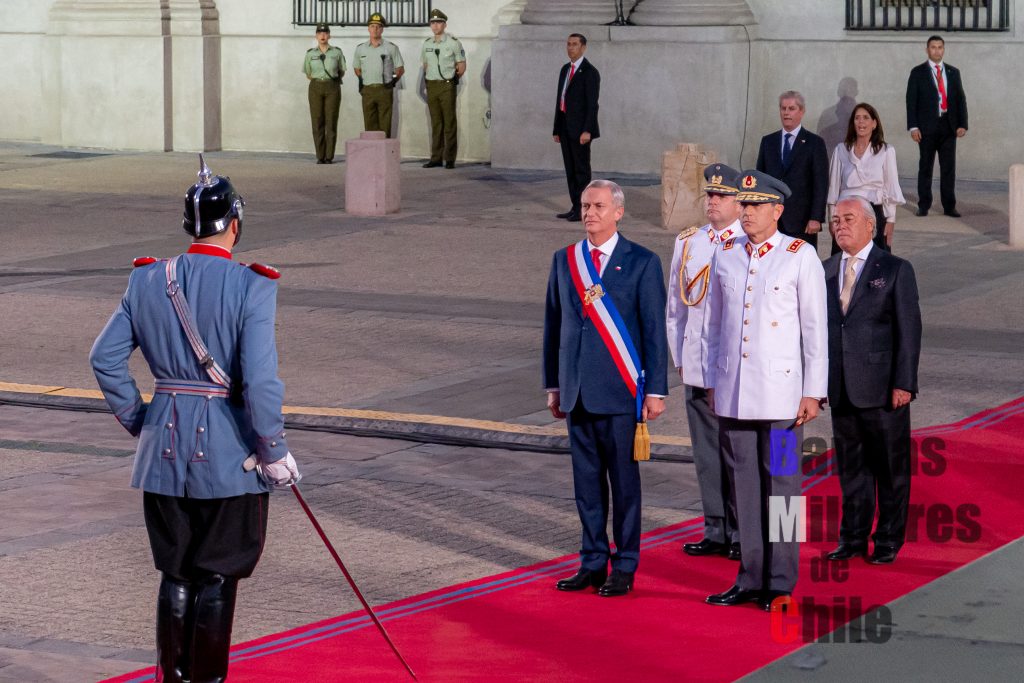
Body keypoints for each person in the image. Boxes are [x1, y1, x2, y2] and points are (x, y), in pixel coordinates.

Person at [89, 157, 300, 682]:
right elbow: (261, 381)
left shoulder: (146, 280)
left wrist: (143, 420)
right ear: (235, 224)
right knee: (219, 575)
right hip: (232, 458)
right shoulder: (253, 286)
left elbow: (105, 358)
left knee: (176, 572)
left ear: (190, 225)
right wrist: (273, 452)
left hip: (161, 455)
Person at [704, 170, 828, 611]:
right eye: (744, 204)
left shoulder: (799, 255)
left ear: (777, 210)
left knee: (784, 491)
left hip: (781, 399)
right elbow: (716, 326)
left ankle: (781, 580)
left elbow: (815, 330)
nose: (747, 212)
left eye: (755, 205)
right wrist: (714, 382)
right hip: (737, 395)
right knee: (745, 488)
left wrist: (813, 391)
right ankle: (750, 576)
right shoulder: (727, 254)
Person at [543, 179, 668, 597]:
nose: (589, 213)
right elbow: (553, 326)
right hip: (577, 392)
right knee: (587, 485)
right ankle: (592, 560)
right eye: (584, 206)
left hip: (620, 393)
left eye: (597, 206)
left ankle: (625, 564)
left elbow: (654, 331)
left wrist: (657, 390)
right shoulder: (566, 260)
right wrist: (554, 384)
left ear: (618, 212)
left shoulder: (642, 262)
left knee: (624, 486)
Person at [824, 196, 922, 565]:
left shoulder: (895, 268)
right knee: (852, 470)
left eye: (848, 218)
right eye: (835, 220)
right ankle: (852, 538)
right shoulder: (826, 269)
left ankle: (888, 540)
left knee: (890, 469)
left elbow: (909, 330)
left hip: (883, 389)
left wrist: (904, 383)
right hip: (841, 387)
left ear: (870, 225)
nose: (840, 226)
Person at [666, 163, 742, 561]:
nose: (712, 201)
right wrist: (680, 357)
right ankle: (717, 529)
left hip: (744, 376)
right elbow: (676, 308)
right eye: (709, 195)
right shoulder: (690, 241)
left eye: (721, 195)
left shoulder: (756, 244)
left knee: (758, 462)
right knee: (708, 456)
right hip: (699, 367)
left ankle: (763, 535)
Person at [827, 103, 905, 252]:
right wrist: (832, 218)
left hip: (873, 211)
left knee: (874, 261)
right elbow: (834, 187)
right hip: (846, 211)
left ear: (874, 123)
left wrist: (890, 220)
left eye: (865, 118)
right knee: (843, 259)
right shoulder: (841, 150)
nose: (861, 122)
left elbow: (890, 187)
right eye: (857, 118)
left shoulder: (886, 151)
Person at [756, 91, 829, 247]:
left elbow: (821, 183)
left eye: (791, 108)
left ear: (801, 111)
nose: (786, 113)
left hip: (802, 222)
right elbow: (760, 180)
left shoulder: (814, 143)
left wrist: (816, 217)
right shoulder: (768, 142)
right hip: (771, 219)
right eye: (783, 109)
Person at [906, 35, 968, 217]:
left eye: (940, 47)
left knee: (948, 167)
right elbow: (911, 101)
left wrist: (962, 123)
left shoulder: (953, 72)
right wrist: (913, 127)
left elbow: (960, 99)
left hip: (948, 125)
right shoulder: (918, 72)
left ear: (944, 49)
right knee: (926, 166)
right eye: (933, 47)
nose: (937, 50)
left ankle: (949, 205)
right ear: (927, 50)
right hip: (926, 127)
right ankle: (924, 204)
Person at [552, 33, 600, 223]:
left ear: (583, 48)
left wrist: (587, 130)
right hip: (565, 127)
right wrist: (556, 129)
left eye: (574, 44)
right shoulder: (565, 69)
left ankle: (585, 208)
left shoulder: (589, 72)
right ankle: (575, 206)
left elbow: (592, 104)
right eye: (568, 44)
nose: (570, 48)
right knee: (570, 169)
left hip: (580, 129)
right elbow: (560, 100)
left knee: (581, 170)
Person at [421, 8, 466, 169]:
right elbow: (425, 65)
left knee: (449, 122)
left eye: (438, 22)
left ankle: (449, 158)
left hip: (446, 85)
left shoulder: (453, 43)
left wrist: (452, 80)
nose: (435, 26)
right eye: (433, 23)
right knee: (436, 123)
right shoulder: (427, 44)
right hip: (432, 85)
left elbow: (461, 66)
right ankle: (436, 157)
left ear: (444, 24)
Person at [353, 13, 405, 137]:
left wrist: (391, 81)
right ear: (368, 28)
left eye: (378, 26)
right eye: (372, 26)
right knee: (369, 123)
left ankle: (384, 154)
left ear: (382, 29)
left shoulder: (391, 47)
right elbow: (357, 68)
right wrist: (362, 80)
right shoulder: (361, 48)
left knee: (385, 124)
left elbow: (400, 68)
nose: (375, 29)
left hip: (384, 90)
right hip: (368, 90)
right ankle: (372, 153)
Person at [303, 23, 345, 165]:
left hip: (332, 87)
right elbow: (308, 73)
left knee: (331, 121)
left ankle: (329, 156)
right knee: (317, 121)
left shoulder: (336, 52)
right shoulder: (310, 53)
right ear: (316, 35)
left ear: (329, 35)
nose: (323, 36)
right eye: (320, 33)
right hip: (315, 87)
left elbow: (342, 70)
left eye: (325, 33)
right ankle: (320, 156)